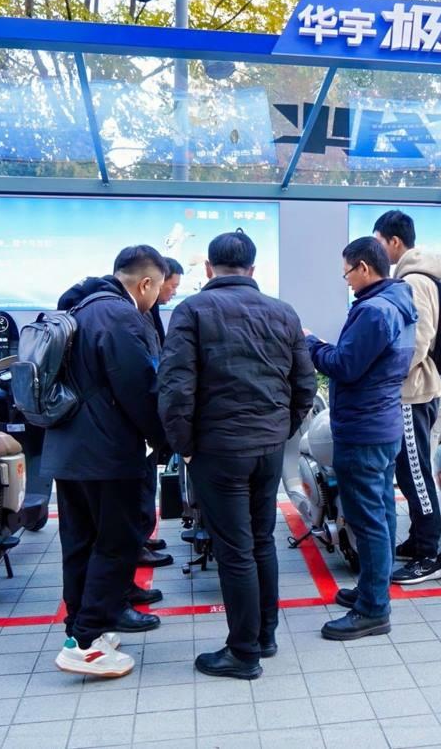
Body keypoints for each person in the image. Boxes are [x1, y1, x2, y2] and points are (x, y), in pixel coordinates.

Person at [158, 231, 316, 680]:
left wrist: (185, 447)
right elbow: (305, 384)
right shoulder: (283, 312)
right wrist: (281, 429)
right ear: (253, 269)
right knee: (261, 540)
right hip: (267, 447)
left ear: (209, 268)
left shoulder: (192, 310)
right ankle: (264, 636)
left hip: (219, 449)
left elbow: (175, 388)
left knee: (234, 550)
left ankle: (243, 653)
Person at [47, 245, 170, 678]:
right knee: (118, 541)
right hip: (108, 453)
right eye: (158, 289)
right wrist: (165, 439)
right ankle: (86, 645)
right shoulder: (119, 316)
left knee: (80, 542)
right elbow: (140, 390)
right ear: (146, 283)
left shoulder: (79, 307)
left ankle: (81, 631)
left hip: (69, 450)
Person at [306, 237, 417, 641]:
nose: (347, 281)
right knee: (382, 513)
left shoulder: (373, 311)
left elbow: (345, 366)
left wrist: (311, 343)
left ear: (364, 268)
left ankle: (373, 610)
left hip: (363, 429)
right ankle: (373, 589)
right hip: (383, 424)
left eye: (347, 273)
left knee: (367, 520)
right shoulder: (400, 304)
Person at [373, 210, 441, 585]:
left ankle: (429, 556)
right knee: (409, 470)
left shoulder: (414, 280)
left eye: (379, 242)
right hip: (416, 390)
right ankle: (419, 540)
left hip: (412, 392)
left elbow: (419, 339)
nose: (376, 250)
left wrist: (389, 374)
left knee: (414, 473)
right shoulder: (418, 277)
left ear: (395, 242)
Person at [135, 256, 186, 570]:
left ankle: (142, 535)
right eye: (172, 286)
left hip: (150, 413)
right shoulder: (135, 317)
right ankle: (136, 544)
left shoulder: (148, 314)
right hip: (141, 417)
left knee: (146, 478)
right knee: (139, 480)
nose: (174, 293)